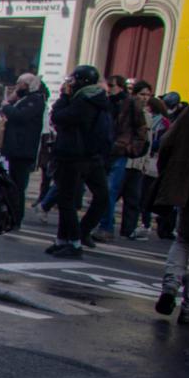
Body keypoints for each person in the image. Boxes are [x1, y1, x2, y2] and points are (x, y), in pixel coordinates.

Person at [46, 65, 113, 258]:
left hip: (73, 156)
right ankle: (63, 239)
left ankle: (74, 242)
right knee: (100, 196)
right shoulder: (99, 99)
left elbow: (59, 117)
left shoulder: (82, 101)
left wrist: (64, 96)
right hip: (94, 157)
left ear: (82, 81)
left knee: (67, 200)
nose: (70, 83)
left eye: (73, 80)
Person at [155, 97, 189, 324]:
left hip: (188, 184)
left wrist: (169, 174)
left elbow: (167, 141)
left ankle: (170, 285)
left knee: (183, 239)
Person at [110, 77, 151, 237]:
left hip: (138, 163)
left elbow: (147, 140)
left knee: (133, 198)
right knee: (113, 192)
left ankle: (128, 229)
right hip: (125, 158)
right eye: (142, 94)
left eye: (148, 95)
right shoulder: (128, 109)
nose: (145, 98)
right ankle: (105, 223)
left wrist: (145, 161)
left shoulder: (147, 115)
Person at [0, 73, 46, 203]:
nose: (16, 86)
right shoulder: (24, 99)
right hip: (16, 149)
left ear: (26, 85)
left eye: (18, 83)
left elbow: (20, 116)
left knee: (18, 185)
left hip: (22, 149)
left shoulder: (35, 100)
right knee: (14, 182)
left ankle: (17, 211)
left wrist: (7, 106)